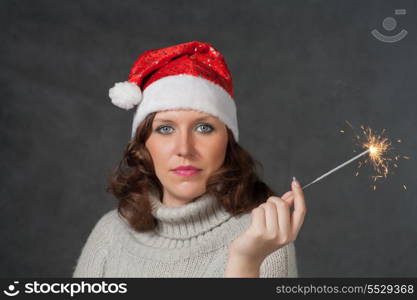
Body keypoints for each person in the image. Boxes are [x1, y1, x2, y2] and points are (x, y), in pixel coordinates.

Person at [72, 41, 306, 278]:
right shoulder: (110, 233)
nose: (184, 148)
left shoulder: (264, 239)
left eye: (204, 128)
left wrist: (245, 262)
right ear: (143, 144)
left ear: (227, 141)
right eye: (165, 129)